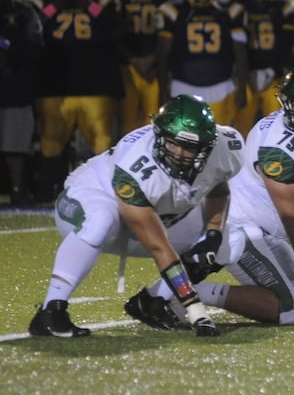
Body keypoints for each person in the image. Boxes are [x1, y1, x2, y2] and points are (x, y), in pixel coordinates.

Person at [125, 63, 294, 327]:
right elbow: (292, 217)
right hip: (246, 222)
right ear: (286, 103)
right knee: (292, 312)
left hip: (277, 219)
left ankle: (159, 294)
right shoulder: (278, 147)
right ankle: (187, 294)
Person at [28, 94, 244, 337]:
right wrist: (195, 309)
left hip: (158, 218)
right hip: (90, 200)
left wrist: (213, 234)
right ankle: (51, 310)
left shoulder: (227, 145)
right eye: (173, 143)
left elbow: (217, 189)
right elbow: (159, 247)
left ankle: (153, 302)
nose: (179, 153)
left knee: (231, 237)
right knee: (101, 219)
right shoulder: (135, 163)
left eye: (190, 147)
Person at [23, 0, 125, 203]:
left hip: (96, 83)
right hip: (55, 84)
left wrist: (85, 2)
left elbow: (112, 29)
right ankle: (48, 192)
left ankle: (105, 194)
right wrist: (56, 4)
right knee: (50, 144)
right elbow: (35, 28)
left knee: (102, 143)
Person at [155, 0, 248, 128]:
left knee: (219, 140)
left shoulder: (231, 11)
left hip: (221, 86)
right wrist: (162, 90)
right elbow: (163, 55)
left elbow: (240, 52)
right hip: (182, 85)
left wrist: (241, 87)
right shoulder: (171, 10)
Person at [107, 0, 183, 134]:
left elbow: (177, 31)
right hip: (127, 64)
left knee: (155, 121)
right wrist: (132, 58)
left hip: (156, 65)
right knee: (128, 123)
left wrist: (154, 57)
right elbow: (101, 22)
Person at [231, 0, 294, 137]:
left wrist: (276, 69)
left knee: (278, 128)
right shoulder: (237, 6)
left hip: (275, 76)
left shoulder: (286, 6)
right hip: (245, 77)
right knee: (241, 129)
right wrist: (243, 73)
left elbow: (287, 45)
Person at [0, 0, 42, 207]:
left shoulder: (22, 9)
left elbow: (35, 47)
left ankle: (17, 189)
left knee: (15, 145)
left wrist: (8, 55)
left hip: (14, 88)